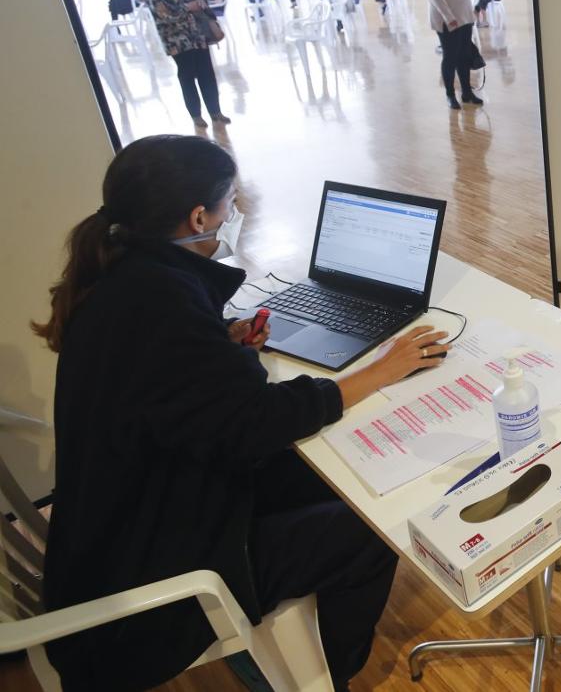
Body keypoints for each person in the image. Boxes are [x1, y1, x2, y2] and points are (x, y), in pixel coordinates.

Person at [34, 135, 451, 691]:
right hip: (154, 581)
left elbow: (183, 397)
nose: (239, 211)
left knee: (332, 477)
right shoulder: (163, 306)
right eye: (232, 200)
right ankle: (337, 679)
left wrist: (226, 349)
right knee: (369, 533)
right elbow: (256, 425)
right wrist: (377, 372)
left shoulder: (124, 277)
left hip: (136, 514)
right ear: (199, 216)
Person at [141, 0, 230, 127]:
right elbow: (161, 13)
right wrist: (188, 7)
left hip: (197, 33)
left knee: (207, 72)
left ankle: (216, 112)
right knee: (188, 74)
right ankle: (196, 116)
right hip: (177, 38)